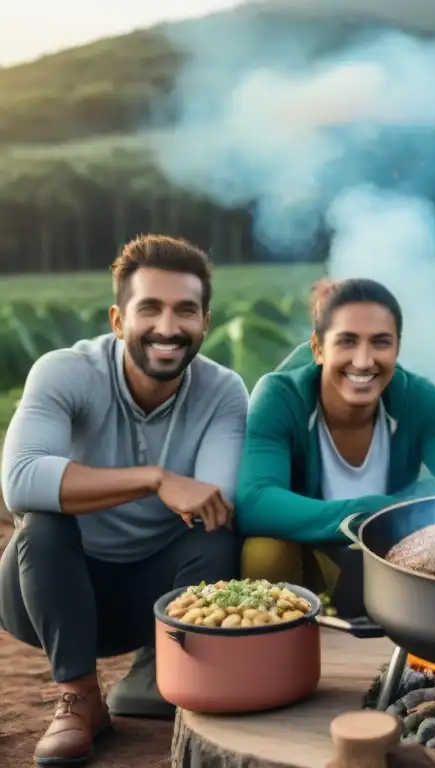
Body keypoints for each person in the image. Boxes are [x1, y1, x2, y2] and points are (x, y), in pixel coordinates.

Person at [0, 235, 248, 765]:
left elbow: (216, 500)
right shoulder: (65, 371)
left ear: (204, 321)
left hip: (154, 601)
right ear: (118, 320)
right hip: (49, 593)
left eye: (186, 310)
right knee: (43, 522)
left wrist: (188, 494)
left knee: (219, 533)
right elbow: (20, 480)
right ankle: (78, 700)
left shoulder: (224, 390)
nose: (167, 327)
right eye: (149, 308)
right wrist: (155, 478)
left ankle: (170, 671)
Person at [235, 278, 435, 610]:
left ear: (397, 348)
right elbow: (255, 501)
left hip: (398, 558)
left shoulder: (415, 395)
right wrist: (369, 515)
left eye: (380, 343)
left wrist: (395, 510)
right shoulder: (280, 396)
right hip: (313, 559)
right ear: (317, 349)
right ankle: (276, 652)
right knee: (264, 552)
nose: (363, 361)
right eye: (347, 342)